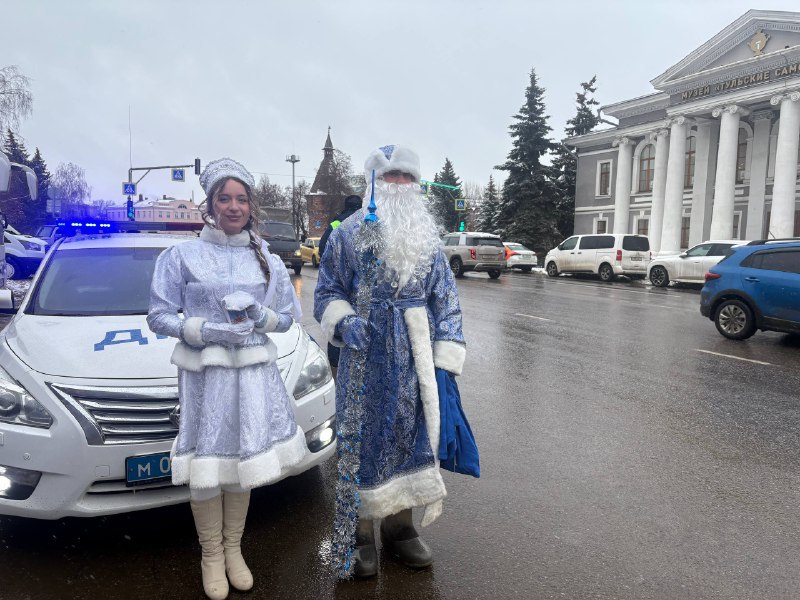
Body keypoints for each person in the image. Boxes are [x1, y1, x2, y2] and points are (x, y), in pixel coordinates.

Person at [148, 157, 306, 600]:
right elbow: (158, 316)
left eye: (241, 199)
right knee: (205, 465)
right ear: (210, 204)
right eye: (224, 198)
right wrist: (204, 330)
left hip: (252, 376)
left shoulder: (268, 260)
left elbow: (287, 320)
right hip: (205, 379)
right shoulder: (181, 255)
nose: (233, 207)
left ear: (250, 205)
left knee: (242, 461)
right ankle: (210, 554)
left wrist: (261, 315)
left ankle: (234, 549)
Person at [314, 145, 466, 578]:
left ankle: (400, 528)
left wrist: (446, 358)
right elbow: (327, 291)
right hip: (366, 357)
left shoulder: (428, 241)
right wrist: (344, 322)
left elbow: (447, 302)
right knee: (361, 439)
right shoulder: (348, 233)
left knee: (409, 436)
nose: (399, 184)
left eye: (407, 177)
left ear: (416, 184)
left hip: (416, 359)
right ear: (373, 182)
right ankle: (359, 533)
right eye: (391, 176)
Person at [317, 193, 362, 378]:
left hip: (336, 282)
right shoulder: (365, 223)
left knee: (338, 323)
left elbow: (321, 247)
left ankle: (336, 369)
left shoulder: (336, 224)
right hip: (359, 290)